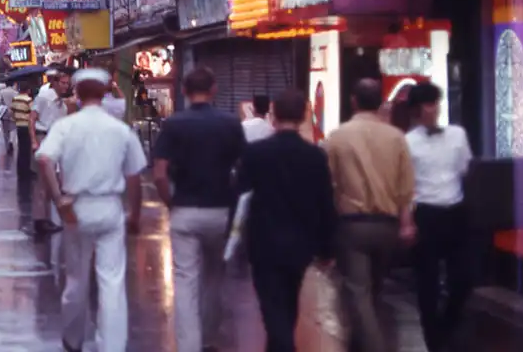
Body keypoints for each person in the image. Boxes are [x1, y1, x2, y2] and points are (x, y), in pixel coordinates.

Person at [35, 68, 147, 352]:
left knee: (76, 278)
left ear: (77, 93)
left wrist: (59, 199)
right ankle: (112, 345)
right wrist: (134, 214)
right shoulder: (120, 129)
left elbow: (45, 160)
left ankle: (73, 340)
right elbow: (134, 176)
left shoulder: (66, 126)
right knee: (112, 280)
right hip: (110, 208)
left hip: (76, 208)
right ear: (104, 92)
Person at [152, 67, 246, 352]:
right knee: (215, 276)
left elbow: (159, 174)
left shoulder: (174, 125)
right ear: (214, 89)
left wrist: (171, 202)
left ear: (183, 91)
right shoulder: (230, 123)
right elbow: (243, 167)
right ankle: (208, 338)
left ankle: (189, 346)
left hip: (185, 209)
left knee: (185, 280)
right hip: (221, 210)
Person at [238, 89, 337, 352]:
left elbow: (240, 196)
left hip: (263, 242)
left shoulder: (256, 153)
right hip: (301, 243)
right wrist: (327, 248)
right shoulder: (315, 156)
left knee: (272, 307)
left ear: (274, 115)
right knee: (290, 301)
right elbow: (325, 202)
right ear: (305, 115)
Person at [324, 78, 416, 352]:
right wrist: (407, 223)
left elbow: (329, 184)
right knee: (373, 290)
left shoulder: (338, 137)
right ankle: (357, 345)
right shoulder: (396, 137)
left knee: (357, 292)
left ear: (353, 100)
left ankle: (374, 347)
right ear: (380, 102)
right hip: (388, 226)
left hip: (352, 226)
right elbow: (406, 187)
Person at [405, 82, 473, 352]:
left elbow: (465, 169)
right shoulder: (408, 142)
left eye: (435, 103)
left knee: (464, 279)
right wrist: (408, 221)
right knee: (427, 282)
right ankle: (433, 340)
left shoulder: (458, 134)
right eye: (427, 104)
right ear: (417, 110)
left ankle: (446, 325)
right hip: (426, 213)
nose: (433, 109)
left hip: (455, 211)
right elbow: (406, 184)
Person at [30, 70, 71, 235]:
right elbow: (31, 119)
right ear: (54, 83)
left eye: (67, 83)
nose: (65, 86)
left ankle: (45, 219)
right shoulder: (44, 98)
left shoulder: (63, 104)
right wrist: (33, 141)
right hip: (43, 138)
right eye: (63, 83)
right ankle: (40, 220)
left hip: (55, 141)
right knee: (43, 181)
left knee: (50, 181)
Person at [11, 81, 35, 178]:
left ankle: (20, 169)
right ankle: (26, 170)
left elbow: (12, 111)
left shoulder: (15, 99)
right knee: (27, 149)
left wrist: (16, 119)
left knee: (21, 148)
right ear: (28, 90)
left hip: (19, 125)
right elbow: (32, 113)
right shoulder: (29, 100)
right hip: (27, 125)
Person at [0, 80, 19, 154]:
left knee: (6, 131)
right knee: (13, 129)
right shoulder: (15, 93)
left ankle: (7, 146)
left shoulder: (2, 92)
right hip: (13, 112)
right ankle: (11, 141)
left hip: (4, 112)